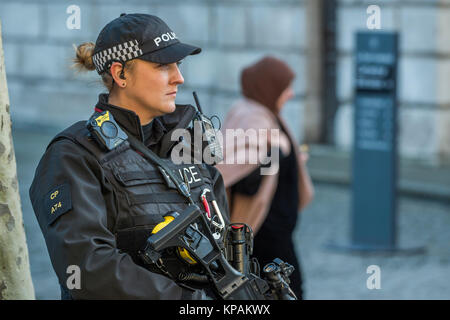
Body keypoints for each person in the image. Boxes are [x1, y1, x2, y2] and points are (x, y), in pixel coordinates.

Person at [29, 13, 230, 300]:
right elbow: (87, 269)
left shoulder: (188, 146)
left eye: (179, 64)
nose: (179, 78)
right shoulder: (74, 154)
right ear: (120, 74)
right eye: (163, 66)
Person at [216, 56, 314, 299]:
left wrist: (286, 159)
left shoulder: (264, 111)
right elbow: (233, 160)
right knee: (286, 292)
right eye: (285, 88)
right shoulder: (253, 116)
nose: (290, 94)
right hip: (264, 232)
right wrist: (274, 152)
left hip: (275, 230)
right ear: (268, 86)